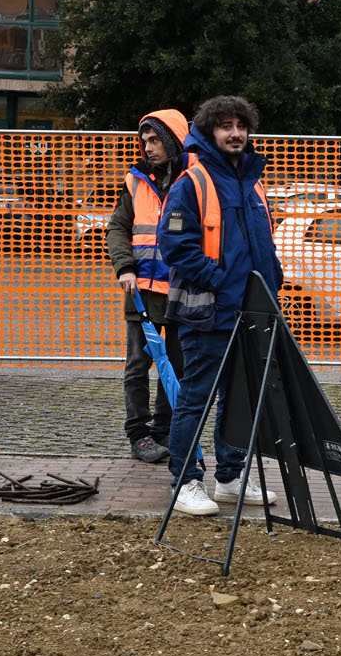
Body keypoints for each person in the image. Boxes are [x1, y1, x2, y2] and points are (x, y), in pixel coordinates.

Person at [158, 95, 285, 518]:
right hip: (208, 314)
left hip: (251, 312)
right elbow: (174, 244)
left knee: (239, 400)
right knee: (196, 398)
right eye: (225, 126)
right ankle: (186, 482)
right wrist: (218, 278)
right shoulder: (192, 182)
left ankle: (230, 478)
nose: (235, 133)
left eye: (240, 126)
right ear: (210, 131)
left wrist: (274, 278)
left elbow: (259, 241)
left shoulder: (253, 180)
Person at [106, 109, 190, 463]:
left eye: (155, 140)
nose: (148, 147)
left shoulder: (194, 181)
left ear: (171, 140)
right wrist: (124, 267)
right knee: (138, 365)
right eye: (144, 141)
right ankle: (139, 435)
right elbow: (117, 228)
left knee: (174, 366)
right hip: (140, 291)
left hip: (180, 292)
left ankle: (163, 433)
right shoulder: (135, 181)